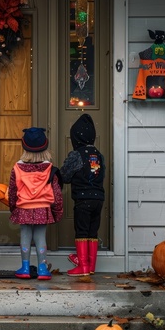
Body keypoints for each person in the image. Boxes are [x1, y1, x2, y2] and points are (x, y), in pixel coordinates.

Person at [8, 127, 63, 280]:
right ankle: (43, 268)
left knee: (25, 236)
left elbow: (12, 190)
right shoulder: (50, 169)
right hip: (42, 208)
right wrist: (57, 212)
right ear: (45, 146)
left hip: (24, 207)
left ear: (24, 146)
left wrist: (13, 207)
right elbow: (57, 193)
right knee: (40, 237)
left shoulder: (17, 168)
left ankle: (25, 267)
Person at [60, 113, 105, 277]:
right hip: (98, 199)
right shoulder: (98, 155)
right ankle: (91, 266)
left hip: (83, 199)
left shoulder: (77, 154)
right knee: (93, 232)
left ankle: (82, 266)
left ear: (75, 138)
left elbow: (65, 176)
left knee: (82, 231)